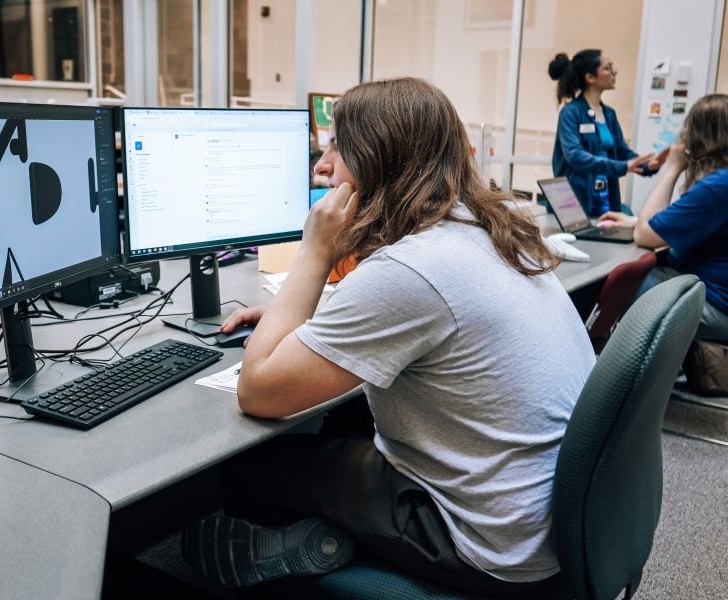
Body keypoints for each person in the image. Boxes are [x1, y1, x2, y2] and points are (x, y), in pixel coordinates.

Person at [181, 77, 596, 597]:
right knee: (339, 423)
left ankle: (315, 556)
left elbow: (258, 390)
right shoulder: (486, 228)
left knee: (255, 468)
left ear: (381, 160)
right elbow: (409, 306)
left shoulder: (412, 269)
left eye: (338, 146)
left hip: (485, 542)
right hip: (545, 516)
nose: (321, 165)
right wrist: (306, 314)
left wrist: (314, 252)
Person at [598, 93, 728, 342]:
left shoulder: (719, 185)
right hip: (715, 295)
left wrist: (673, 169)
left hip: (717, 307)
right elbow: (685, 225)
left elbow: (645, 237)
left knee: (628, 281)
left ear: (700, 136)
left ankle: (621, 369)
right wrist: (636, 222)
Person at [548, 49, 668, 216]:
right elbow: (574, 156)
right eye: (608, 68)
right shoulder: (570, 113)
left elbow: (622, 152)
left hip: (606, 200)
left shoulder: (609, 114)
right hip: (574, 204)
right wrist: (624, 167)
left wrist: (648, 165)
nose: (615, 71)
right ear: (590, 77)